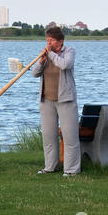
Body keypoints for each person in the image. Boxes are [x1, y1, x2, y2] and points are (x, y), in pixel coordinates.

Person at [32, 26, 81, 177]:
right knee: (48, 135)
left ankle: (72, 170)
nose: (48, 43)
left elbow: (65, 65)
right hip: (46, 100)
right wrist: (41, 61)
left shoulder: (69, 52)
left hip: (65, 99)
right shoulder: (47, 55)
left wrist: (51, 54)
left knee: (69, 136)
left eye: (51, 40)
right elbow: (35, 73)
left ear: (60, 41)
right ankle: (50, 167)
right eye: (47, 40)